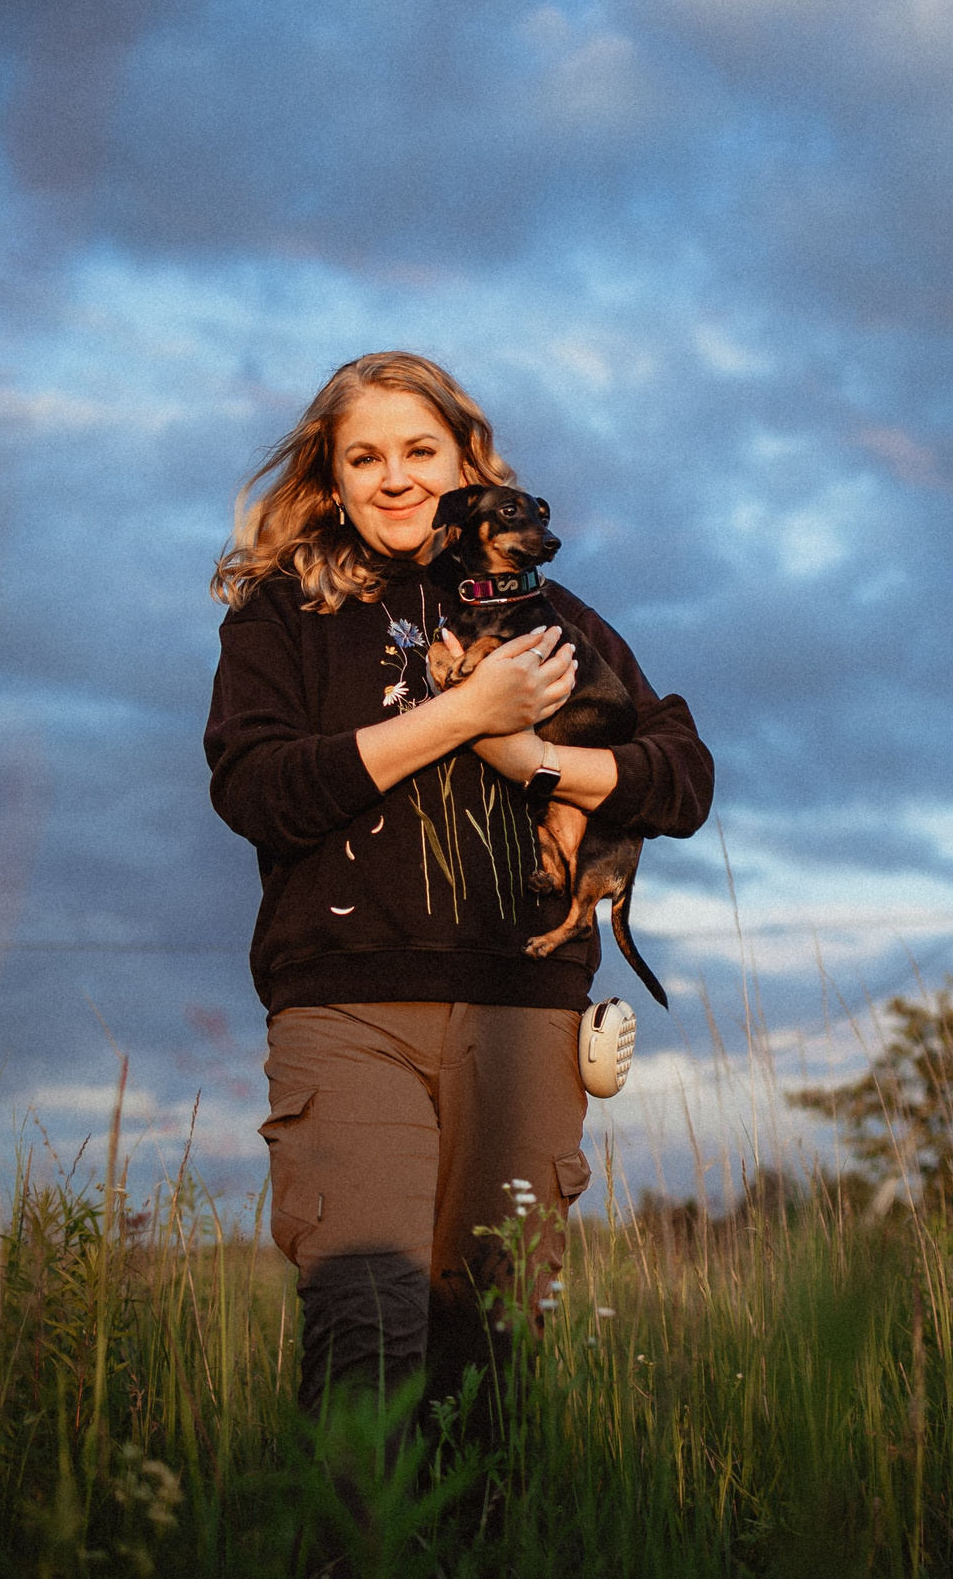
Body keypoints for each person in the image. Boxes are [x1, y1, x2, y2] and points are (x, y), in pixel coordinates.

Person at [205, 351, 713, 1420]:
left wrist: (540, 764)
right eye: (364, 456)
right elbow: (256, 789)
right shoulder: (280, 614)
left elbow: (682, 771)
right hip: (349, 1003)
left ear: (466, 461)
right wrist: (465, 713)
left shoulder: (547, 604)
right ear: (329, 479)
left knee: (488, 1349)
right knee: (366, 1318)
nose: (394, 477)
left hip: (522, 1007)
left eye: (419, 450)